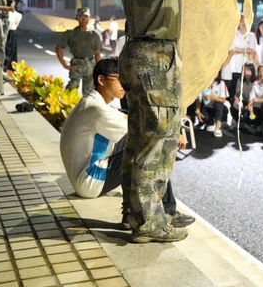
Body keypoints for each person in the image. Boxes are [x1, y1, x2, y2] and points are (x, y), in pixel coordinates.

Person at [117, 0, 256, 243]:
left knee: (138, 141)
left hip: (135, 52)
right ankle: (149, 224)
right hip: (154, 59)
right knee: (158, 143)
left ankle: (136, 214)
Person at [59, 58, 193, 228]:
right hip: (90, 181)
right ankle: (167, 211)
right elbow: (142, 130)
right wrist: (174, 133)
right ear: (101, 80)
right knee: (151, 148)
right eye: (118, 79)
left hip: (85, 175)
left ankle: (134, 211)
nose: (124, 84)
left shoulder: (93, 103)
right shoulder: (96, 109)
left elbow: (128, 119)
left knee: (139, 143)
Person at [55, 7, 102, 96]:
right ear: (77, 18)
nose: (83, 19)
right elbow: (59, 48)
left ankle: (86, 109)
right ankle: (68, 108)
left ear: (89, 18)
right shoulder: (70, 33)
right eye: (81, 16)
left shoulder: (94, 35)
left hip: (90, 65)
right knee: (72, 89)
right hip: (76, 64)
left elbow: (97, 53)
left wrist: (98, 69)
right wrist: (64, 64)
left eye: (86, 16)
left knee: (89, 93)